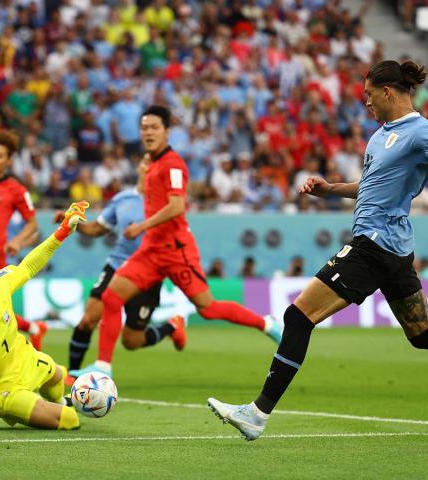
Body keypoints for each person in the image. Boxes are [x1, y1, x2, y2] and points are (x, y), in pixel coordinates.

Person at [207, 59, 428, 441]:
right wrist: (330, 189)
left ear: (387, 91)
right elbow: (372, 185)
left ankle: (257, 413)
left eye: (368, 95)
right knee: (423, 333)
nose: (365, 103)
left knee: (297, 317)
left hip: (374, 246)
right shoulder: (381, 135)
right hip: (394, 251)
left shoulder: (420, 131)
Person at [75, 105, 282, 378]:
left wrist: (141, 226)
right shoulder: (151, 165)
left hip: (176, 250)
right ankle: (102, 368)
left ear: (167, 132)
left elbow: (176, 206)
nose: (148, 132)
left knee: (208, 308)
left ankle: (266, 324)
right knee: (111, 297)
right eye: (144, 128)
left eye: (154, 128)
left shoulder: (173, 165)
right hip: (151, 250)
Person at [64, 156, 185, 385]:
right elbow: (98, 228)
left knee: (131, 341)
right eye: (146, 163)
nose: (149, 168)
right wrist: (73, 223)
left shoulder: (166, 203)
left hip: (148, 273)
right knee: (88, 320)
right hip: (117, 265)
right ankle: (72, 374)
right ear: (139, 167)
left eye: (155, 164)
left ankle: (172, 326)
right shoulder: (123, 199)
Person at [0, 200, 88, 430]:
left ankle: (59, 397)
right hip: (2, 389)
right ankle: (47, 406)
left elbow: (28, 266)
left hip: (22, 357)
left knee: (55, 375)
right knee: (69, 420)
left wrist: (62, 232)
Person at [0, 130, 47, 350]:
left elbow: (33, 225)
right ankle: (33, 328)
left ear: (9, 160)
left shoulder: (15, 190)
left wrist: (18, 242)